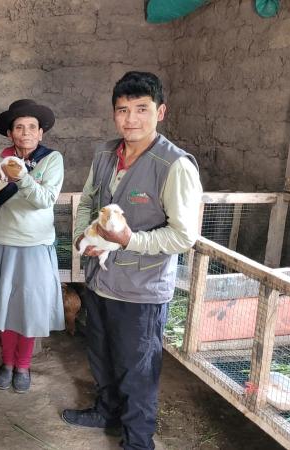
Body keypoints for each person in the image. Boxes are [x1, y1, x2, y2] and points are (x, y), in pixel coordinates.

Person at [61, 71, 203, 450]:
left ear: (161, 112)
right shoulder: (105, 153)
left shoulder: (175, 165)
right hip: (101, 280)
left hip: (141, 291)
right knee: (102, 354)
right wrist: (81, 235)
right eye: (123, 110)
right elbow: (89, 200)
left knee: (136, 370)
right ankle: (105, 411)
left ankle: (138, 441)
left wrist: (129, 240)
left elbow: (184, 236)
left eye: (142, 109)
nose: (131, 119)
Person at [0, 99, 65, 393]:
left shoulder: (51, 160)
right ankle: (7, 362)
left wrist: (22, 177)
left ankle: (24, 365)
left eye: (31, 127)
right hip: (0, 242)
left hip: (34, 245)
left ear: (40, 133)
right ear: (10, 133)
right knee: (6, 308)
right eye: (19, 127)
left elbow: (45, 199)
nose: (25, 133)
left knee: (29, 308)